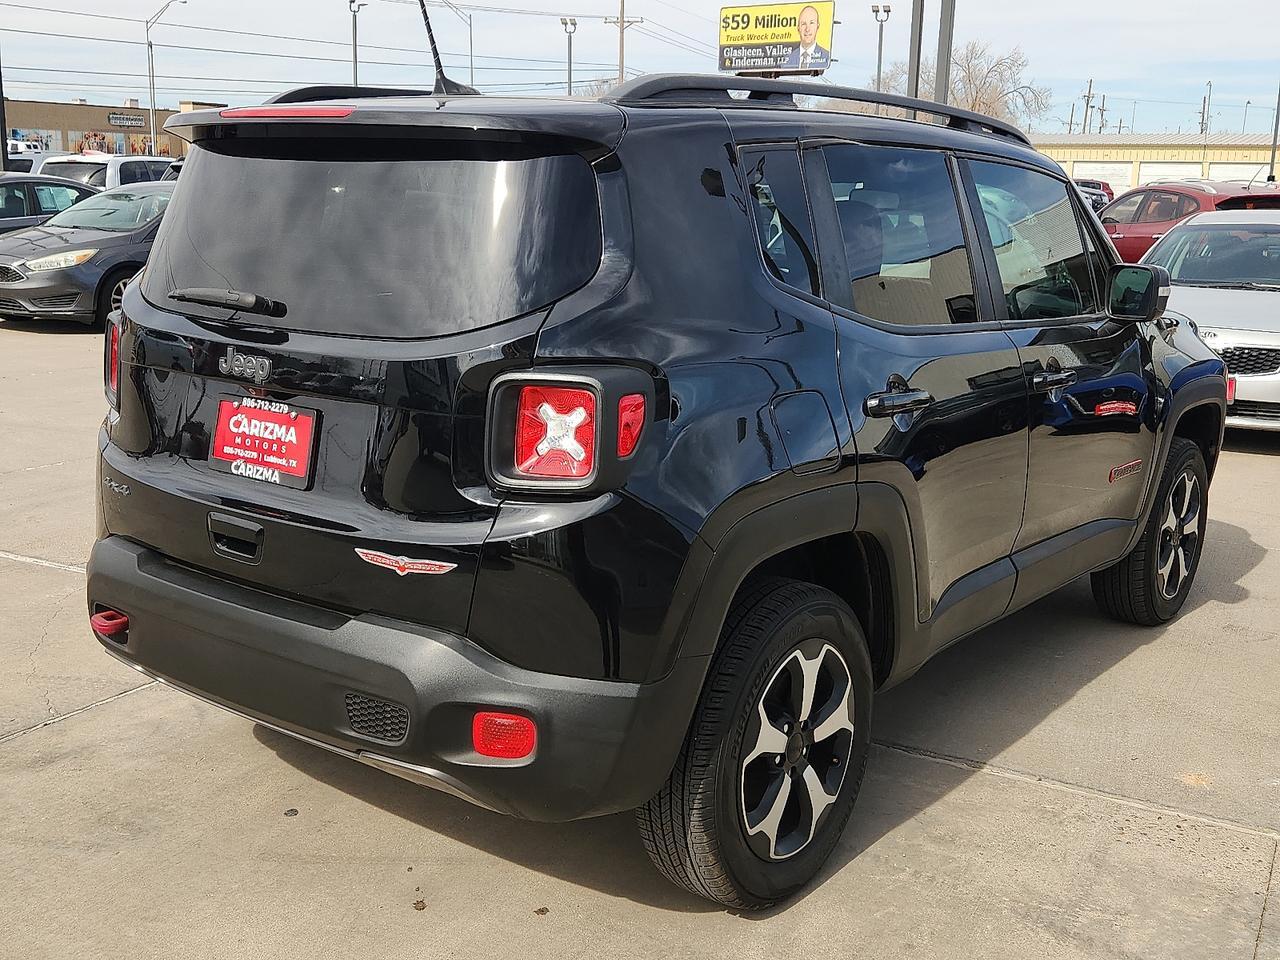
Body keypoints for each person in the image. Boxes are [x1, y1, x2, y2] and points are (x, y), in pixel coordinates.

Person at [783, 6, 830, 70]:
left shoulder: (826, 57)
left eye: (811, 23)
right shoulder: (787, 59)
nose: (807, 29)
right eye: (803, 24)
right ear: (798, 28)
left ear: (817, 26)